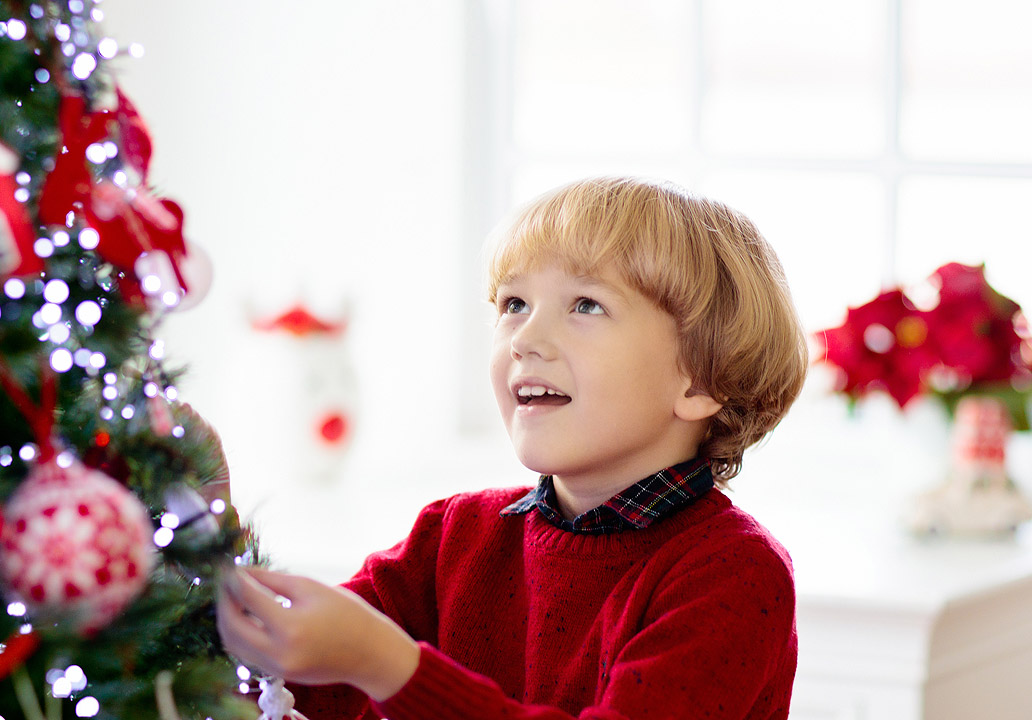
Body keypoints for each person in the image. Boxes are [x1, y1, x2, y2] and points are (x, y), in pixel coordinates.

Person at [218, 176, 809, 719]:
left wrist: (388, 666)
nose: (525, 338)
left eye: (586, 305)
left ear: (701, 379)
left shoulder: (733, 574)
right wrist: (204, 530)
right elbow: (260, 685)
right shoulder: (452, 536)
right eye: (513, 305)